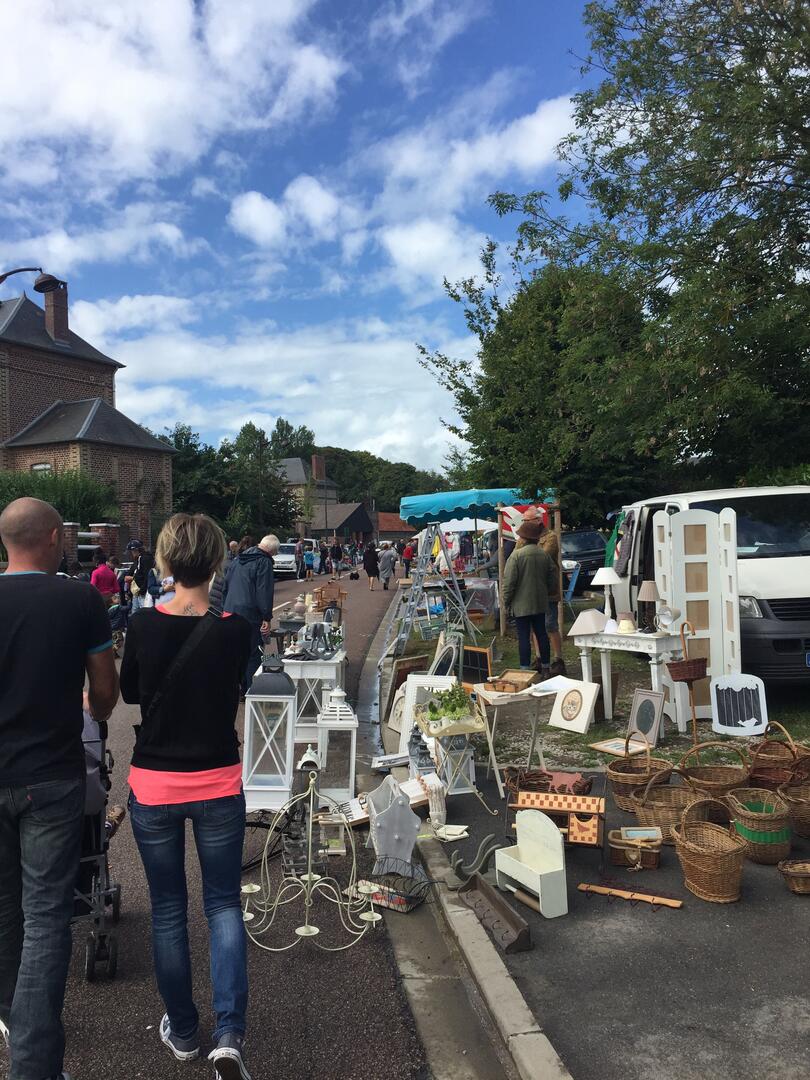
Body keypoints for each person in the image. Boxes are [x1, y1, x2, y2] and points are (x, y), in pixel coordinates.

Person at [120, 513, 253, 1080]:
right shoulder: (236, 628)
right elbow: (237, 687)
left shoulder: (145, 626)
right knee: (223, 903)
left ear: (165, 563)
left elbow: (129, 691)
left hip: (154, 782)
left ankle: (182, 1026)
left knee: (169, 908)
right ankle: (229, 1034)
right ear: (217, 562)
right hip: (218, 777)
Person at [0, 497, 119, 1080]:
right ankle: (33, 1065)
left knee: (4, 915)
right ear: (50, 537)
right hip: (50, 774)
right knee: (47, 916)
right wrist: (93, 711)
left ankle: (17, 1028)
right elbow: (105, 691)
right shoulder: (79, 598)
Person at [222, 534, 278, 694]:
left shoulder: (237, 560)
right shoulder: (264, 562)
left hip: (230, 610)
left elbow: (226, 586)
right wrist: (266, 616)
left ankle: (235, 687)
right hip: (250, 614)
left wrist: (224, 608)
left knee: (234, 652)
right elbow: (264, 591)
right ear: (272, 551)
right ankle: (250, 690)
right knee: (254, 652)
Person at [501, 518, 557, 675]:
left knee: (524, 637)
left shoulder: (516, 556)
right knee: (542, 634)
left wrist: (506, 602)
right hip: (540, 602)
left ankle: (525, 670)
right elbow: (553, 578)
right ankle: (546, 667)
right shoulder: (544, 555)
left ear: (524, 538)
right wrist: (546, 592)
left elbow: (509, 582)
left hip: (521, 604)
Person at [536, 521, 564, 674]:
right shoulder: (526, 538)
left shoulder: (551, 537)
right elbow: (517, 552)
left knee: (550, 624)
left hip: (548, 589)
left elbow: (543, 557)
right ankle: (539, 658)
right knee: (536, 625)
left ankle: (558, 660)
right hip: (533, 589)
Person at [125, 539, 155, 612]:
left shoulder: (145, 559)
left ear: (136, 550)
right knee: (135, 612)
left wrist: (142, 590)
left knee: (143, 612)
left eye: (132, 551)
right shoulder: (139, 559)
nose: (132, 554)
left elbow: (147, 575)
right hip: (138, 591)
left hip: (142, 591)